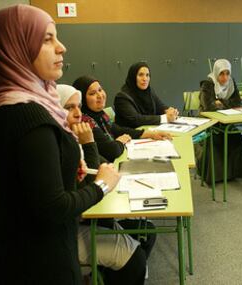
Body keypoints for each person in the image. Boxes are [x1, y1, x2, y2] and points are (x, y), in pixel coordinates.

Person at [0, 5, 120, 284]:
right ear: (16, 47)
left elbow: (20, 180)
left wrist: (63, 167)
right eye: (47, 39)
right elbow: (54, 207)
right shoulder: (31, 116)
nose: (61, 47)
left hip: (6, 247)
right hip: (40, 259)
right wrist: (102, 184)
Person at [57, 84, 155, 284]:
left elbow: (99, 166)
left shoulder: (73, 134)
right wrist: (89, 143)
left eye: (78, 106)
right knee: (135, 258)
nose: (78, 114)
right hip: (67, 231)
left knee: (148, 231)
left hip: (86, 214)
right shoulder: (60, 143)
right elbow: (93, 181)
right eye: (69, 108)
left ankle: (104, 275)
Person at [72, 75, 172, 162]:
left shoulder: (100, 114)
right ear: (82, 100)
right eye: (92, 93)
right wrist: (120, 141)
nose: (100, 95)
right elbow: (112, 150)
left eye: (100, 90)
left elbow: (117, 129)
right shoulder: (84, 123)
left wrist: (150, 134)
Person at [199, 59, 242, 184]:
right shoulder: (208, 84)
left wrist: (220, 102)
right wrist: (225, 104)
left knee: (240, 140)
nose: (225, 77)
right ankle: (216, 177)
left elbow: (237, 102)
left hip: (226, 122)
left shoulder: (231, 83)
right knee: (214, 143)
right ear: (216, 73)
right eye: (221, 73)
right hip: (209, 123)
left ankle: (233, 174)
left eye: (227, 73)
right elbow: (208, 106)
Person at [114, 62, 179, 127]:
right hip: (129, 135)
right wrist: (165, 118)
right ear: (133, 77)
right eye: (140, 75)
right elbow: (136, 119)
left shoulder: (149, 91)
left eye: (147, 75)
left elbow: (160, 106)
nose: (145, 79)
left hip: (148, 132)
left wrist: (170, 111)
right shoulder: (122, 97)